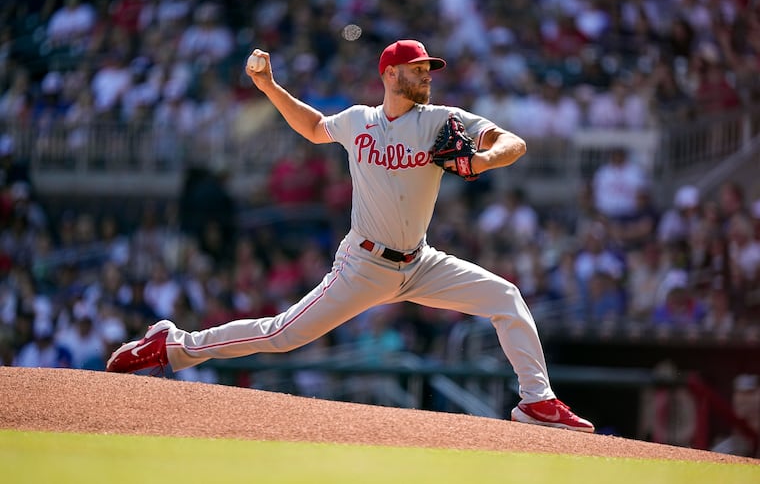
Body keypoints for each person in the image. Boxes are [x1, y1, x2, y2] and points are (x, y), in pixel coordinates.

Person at [106, 39, 594, 432]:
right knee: (282, 335)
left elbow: (515, 142)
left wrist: (484, 159)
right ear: (390, 74)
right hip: (364, 265)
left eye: (429, 68)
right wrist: (269, 86)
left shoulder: (442, 121)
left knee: (505, 297)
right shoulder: (359, 121)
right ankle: (174, 344)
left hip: (420, 263)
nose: (427, 74)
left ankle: (537, 401)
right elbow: (315, 127)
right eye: (418, 68)